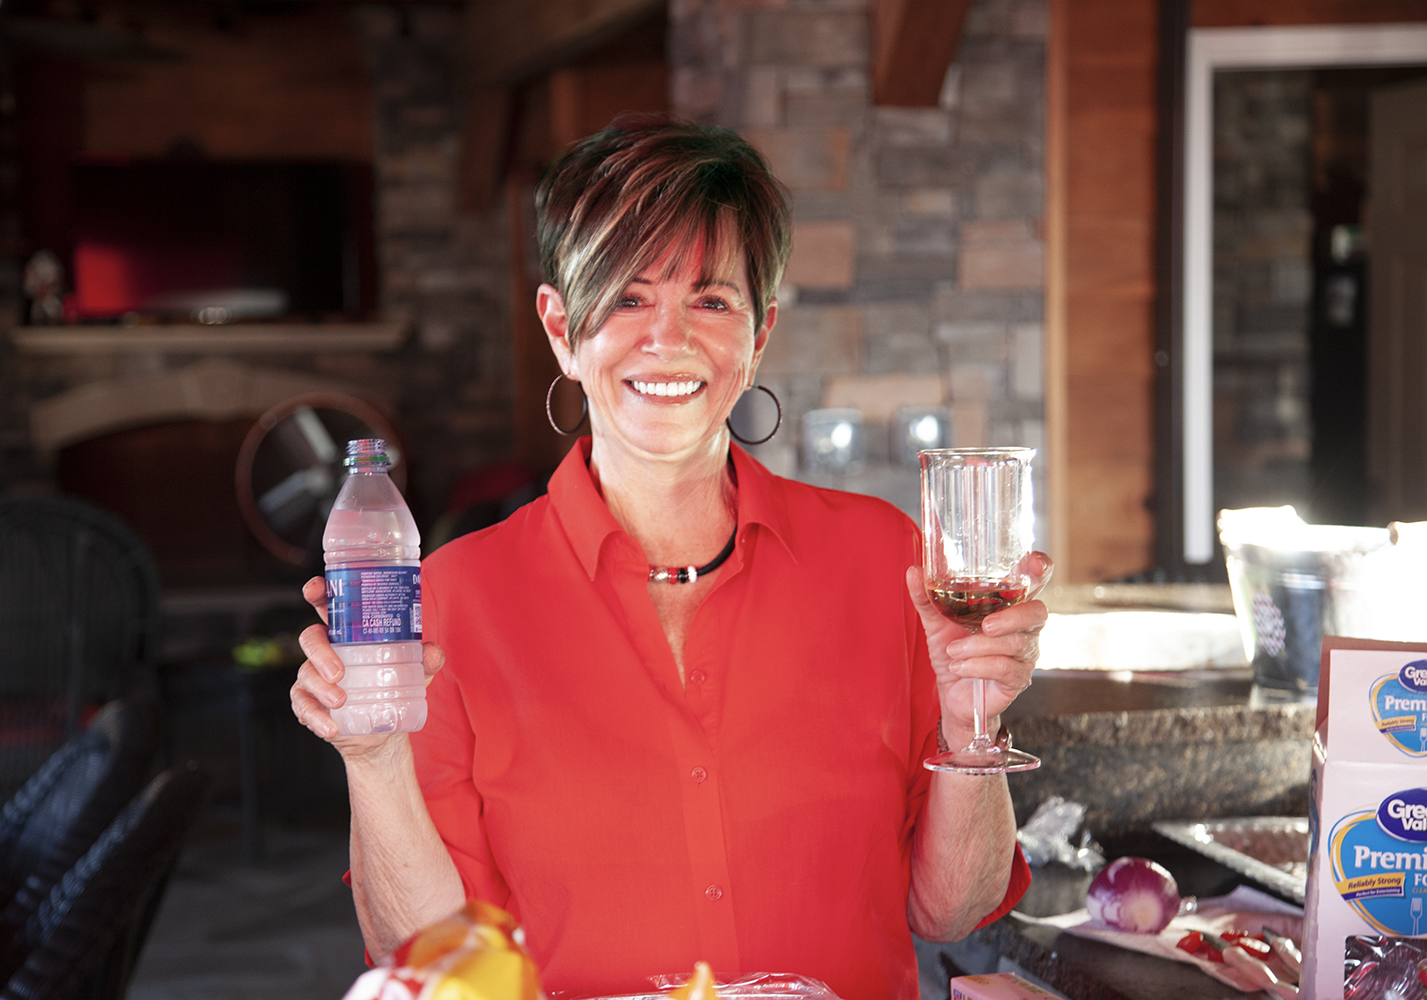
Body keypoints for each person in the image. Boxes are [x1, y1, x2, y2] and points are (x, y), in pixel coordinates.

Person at [291, 114, 1050, 1000]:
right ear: (561, 329)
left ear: (759, 333)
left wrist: (974, 723)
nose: (669, 338)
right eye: (628, 296)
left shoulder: (889, 562)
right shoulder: (457, 600)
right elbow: (429, 956)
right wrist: (374, 765)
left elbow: (954, 913)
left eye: (711, 300)